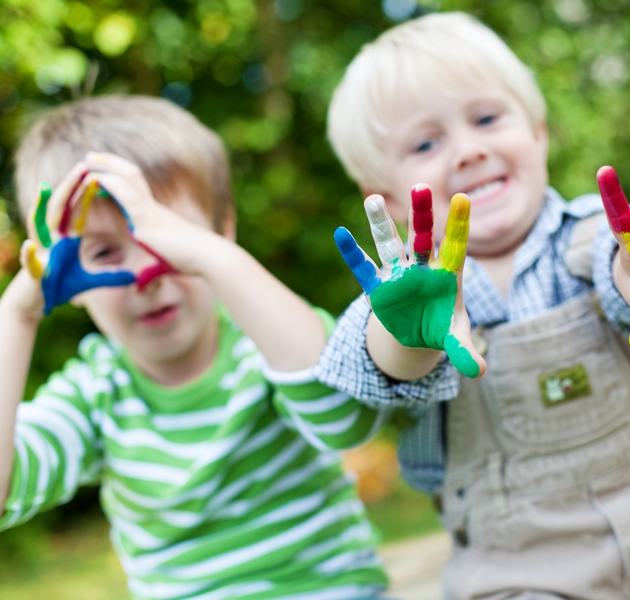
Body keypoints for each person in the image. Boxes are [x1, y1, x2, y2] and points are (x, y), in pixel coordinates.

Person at [317, 11, 630, 600]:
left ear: (538, 132)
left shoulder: (593, 233)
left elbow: (625, 272)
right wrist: (409, 337)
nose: (469, 151)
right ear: (381, 193)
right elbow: (374, 367)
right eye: (426, 143)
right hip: (518, 576)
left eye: (486, 118)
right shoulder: (405, 294)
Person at [0, 95, 388, 599]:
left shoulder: (263, 338)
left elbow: (345, 419)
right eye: (103, 252)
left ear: (222, 229)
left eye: (165, 234)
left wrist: (215, 259)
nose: (145, 273)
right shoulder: (97, 392)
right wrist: (18, 312)